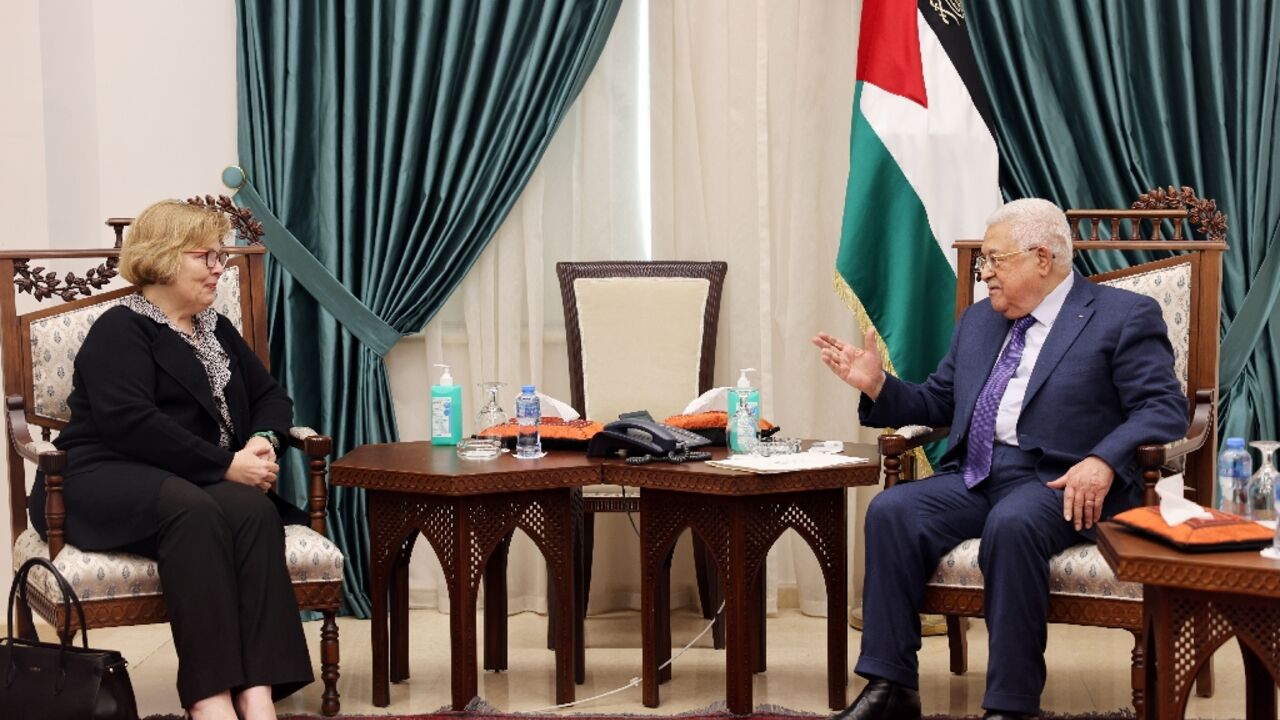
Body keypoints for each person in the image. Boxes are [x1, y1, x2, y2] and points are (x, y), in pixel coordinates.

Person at [813, 198, 1188, 720]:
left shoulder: (1122, 316)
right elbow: (940, 401)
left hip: (1063, 481)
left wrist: (1103, 460)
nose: (984, 272)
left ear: (1042, 258)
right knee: (892, 510)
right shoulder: (979, 321)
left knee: (1012, 524)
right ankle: (891, 688)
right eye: (983, 261)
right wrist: (879, 385)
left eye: (995, 259)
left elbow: (1164, 408)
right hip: (978, 473)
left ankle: (1011, 707)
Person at [29, 200, 313, 720]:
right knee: (194, 510)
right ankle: (209, 698)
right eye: (205, 255)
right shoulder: (121, 328)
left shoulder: (215, 328)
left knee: (254, 510)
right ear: (162, 257)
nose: (219, 267)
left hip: (186, 473)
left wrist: (262, 440)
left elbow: (270, 395)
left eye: (221, 256)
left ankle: (257, 691)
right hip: (99, 473)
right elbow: (131, 423)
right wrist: (226, 466)